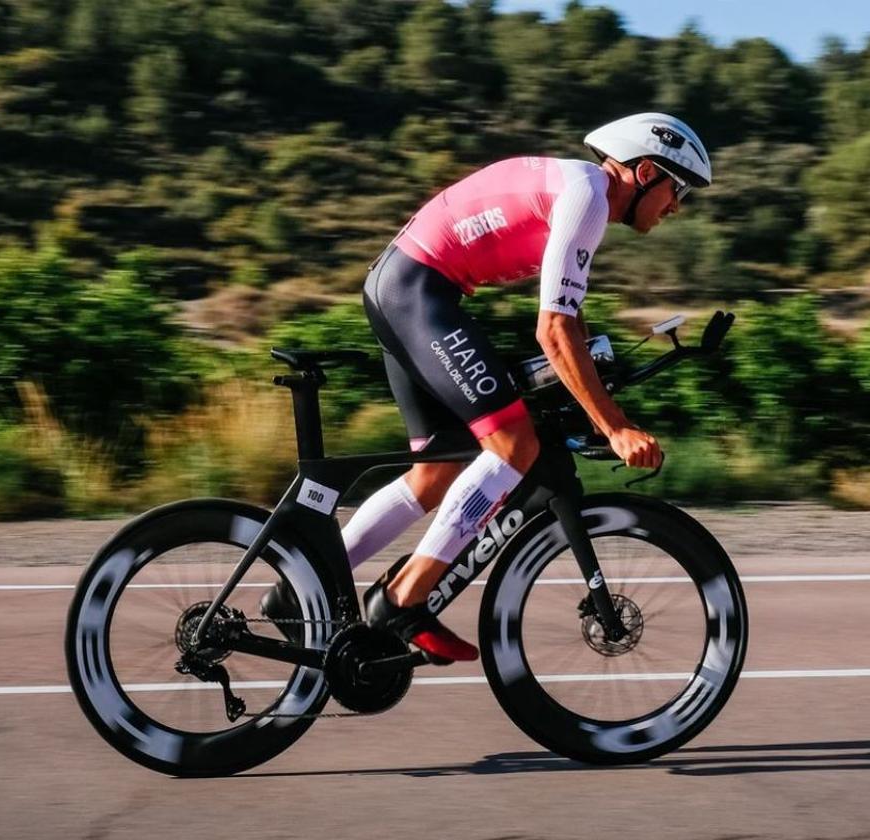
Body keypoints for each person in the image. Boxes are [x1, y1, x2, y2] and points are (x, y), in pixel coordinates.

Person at [263, 113, 712, 662]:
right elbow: (553, 329)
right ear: (645, 171)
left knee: (434, 471)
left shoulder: (579, 187)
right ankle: (404, 598)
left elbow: (569, 320)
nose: (676, 207)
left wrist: (591, 378)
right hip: (420, 293)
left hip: (406, 288)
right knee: (514, 445)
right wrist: (613, 426)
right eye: (677, 190)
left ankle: (299, 586)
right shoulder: (589, 197)